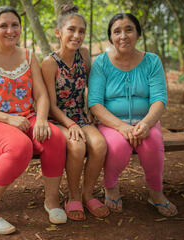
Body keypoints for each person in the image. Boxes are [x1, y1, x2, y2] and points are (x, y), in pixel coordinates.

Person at [0, 6, 67, 235]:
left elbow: (40, 95)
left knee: (55, 137)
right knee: (20, 146)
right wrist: (8, 119)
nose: (10, 30)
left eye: (15, 25)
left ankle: (52, 202)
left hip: (25, 118)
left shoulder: (28, 56)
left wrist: (40, 120)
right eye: (3, 26)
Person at [88, 13, 178, 217]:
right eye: (116, 31)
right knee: (118, 146)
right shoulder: (101, 63)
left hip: (146, 121)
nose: (123, 35)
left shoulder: (152, 61)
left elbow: (159, 99)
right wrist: (121, 127)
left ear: (138, 33)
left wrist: (146, 124)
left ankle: (156, 193)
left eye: (129, 29)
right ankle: (111, 187)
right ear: (111, 37)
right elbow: (95, 103)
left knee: (152, 143)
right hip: (111, 123)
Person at [42, 4, 109, 221]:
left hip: (80, 116)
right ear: (59, 32)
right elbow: (50, 104)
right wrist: (70, 125)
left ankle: (87, 194)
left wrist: (92, 110)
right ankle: (72, 196)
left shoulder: (85, 54)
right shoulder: (50, 63)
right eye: (71, 30)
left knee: (99, 144)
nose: (77, 35)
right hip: (57, 119)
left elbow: (91, 85)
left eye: (81, 31)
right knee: (77, 146)